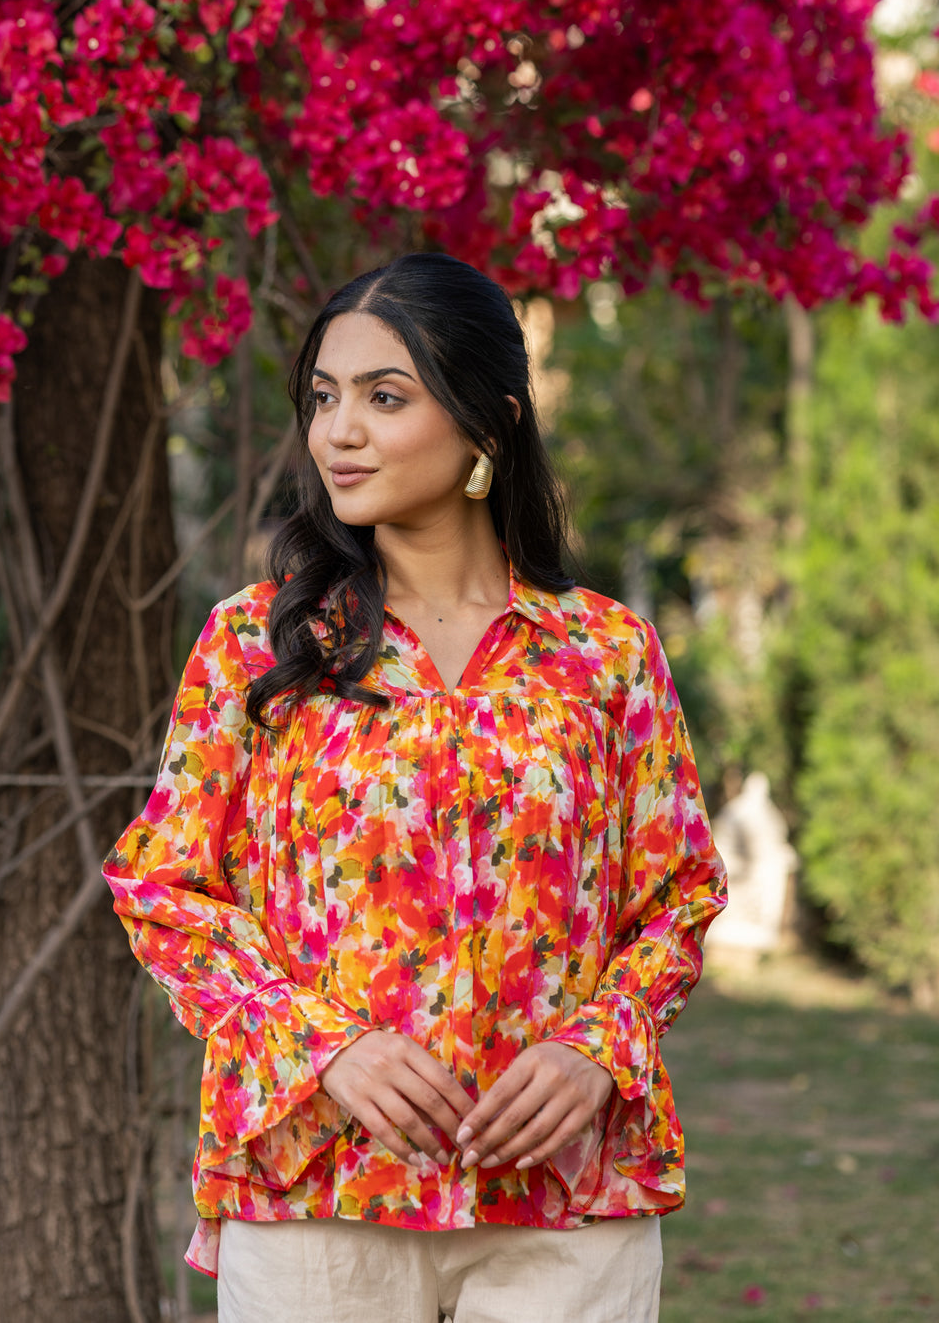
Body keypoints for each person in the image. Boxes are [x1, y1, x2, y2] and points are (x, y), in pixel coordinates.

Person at [103, 252, 726, 1323]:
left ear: (489, 421)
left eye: (384, 398)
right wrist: (322, 1047)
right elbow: (161, 890)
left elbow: (675, 898)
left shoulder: (605, 653)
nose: (337, 431)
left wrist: (599, 1049)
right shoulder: (258, 644)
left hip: (564, 1205)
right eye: (323, 398)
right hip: (318, 1197)